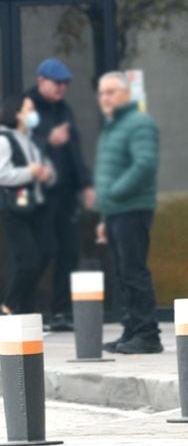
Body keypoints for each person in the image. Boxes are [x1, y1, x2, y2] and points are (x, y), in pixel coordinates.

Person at [95, 72, 162, 354]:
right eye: (102, 93)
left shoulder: (139, 123)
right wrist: (104, 216)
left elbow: (145, 165)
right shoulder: (114, 126)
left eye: (111, 92)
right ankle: (131, 330)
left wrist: (114, 193)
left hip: (133, 209)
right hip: (116, 212)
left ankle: (147, 335)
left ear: (126, 93)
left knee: (134, 273)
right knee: (123, 274)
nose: (105, 98)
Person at [27, 58, 94, 332]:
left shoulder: (64, 109)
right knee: (42, 252)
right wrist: (46, 140)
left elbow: (74, 152)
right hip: (38, 195)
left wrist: (85, 185)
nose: (62, 88)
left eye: (65, 83)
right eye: (57, 83)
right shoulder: (26, 106)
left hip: (65, 195)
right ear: (41, 80)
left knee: (68, 252)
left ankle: (60, 313)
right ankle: (24, 307)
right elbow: (14, 143)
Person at [0, 95, 56, 316]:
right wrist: (31, 172)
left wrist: (46, 174)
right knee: (27, 259)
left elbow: (46, 169)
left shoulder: (30, 140)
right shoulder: (1, 141)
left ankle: (24, 311)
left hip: (34, 207)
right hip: (12, 209)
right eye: (29, 109)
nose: (33, 114)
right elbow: (1, 175)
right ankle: (7, 306)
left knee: (43, 254)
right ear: (16, 113)